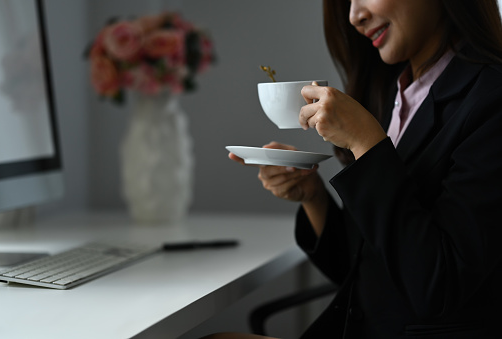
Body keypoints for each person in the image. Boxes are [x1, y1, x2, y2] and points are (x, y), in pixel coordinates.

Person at [208, 0, 502, 338]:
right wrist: (314, 197)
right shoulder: (397, 94)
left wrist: (367, 143)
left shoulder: (491, 99)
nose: (354, 16)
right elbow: (362, 273)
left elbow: (440, 288)